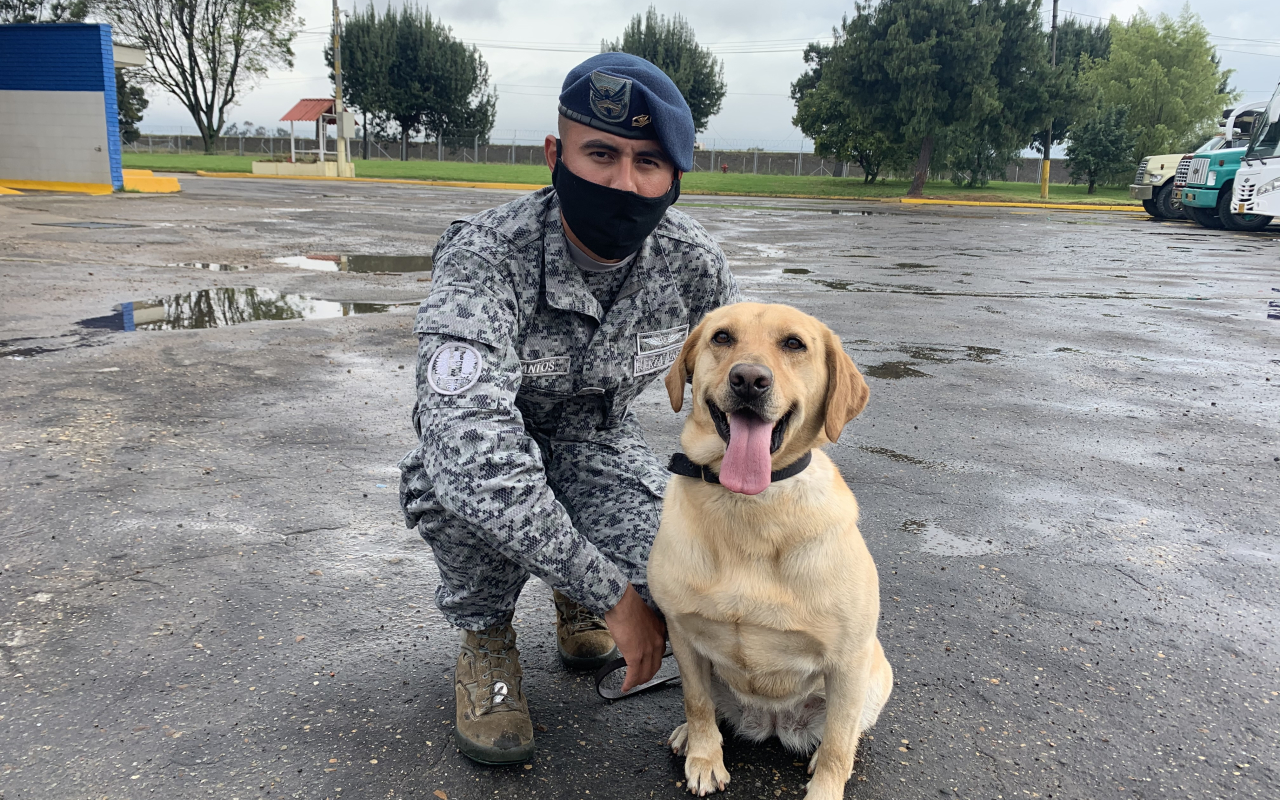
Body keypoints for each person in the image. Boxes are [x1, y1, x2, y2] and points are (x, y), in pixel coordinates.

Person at [398, 52, 740, 765]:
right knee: (451, 494)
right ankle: (488, 638)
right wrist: (615, 597)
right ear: (556, 154)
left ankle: (572, 599)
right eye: (601, 153)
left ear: (676, 177)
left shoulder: (692, 264)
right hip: (486, 459)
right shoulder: (488, 257)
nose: (624, 181)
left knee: (685, 581)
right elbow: (471, 451)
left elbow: (733, 398)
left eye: (649, 162)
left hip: (598, 446)